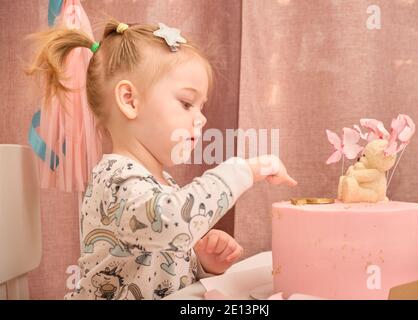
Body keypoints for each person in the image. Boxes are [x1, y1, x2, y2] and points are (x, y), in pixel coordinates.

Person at [26, 18, 297, 300]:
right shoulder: (116, 178)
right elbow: (170, 223)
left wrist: (202, 263)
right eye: (186, 103)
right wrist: (242, 171)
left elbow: (159, 269)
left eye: (200, 106)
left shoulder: (160, 183)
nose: (201, 118)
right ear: (130, 100)